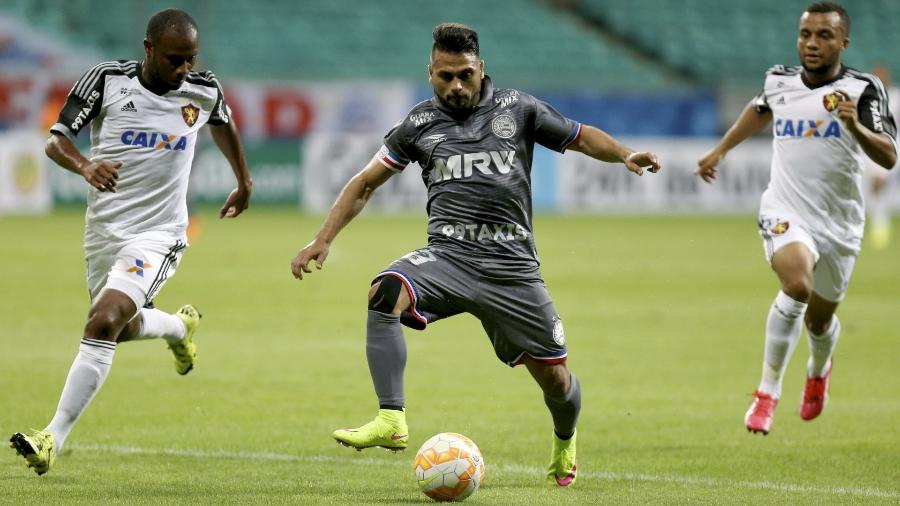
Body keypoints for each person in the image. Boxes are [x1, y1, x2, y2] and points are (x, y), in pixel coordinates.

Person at [291, 23, 660, 486]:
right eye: (445, 76)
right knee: (385, 292)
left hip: (513, 270)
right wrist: (322, 238)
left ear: (481, 68)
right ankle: (391, 419)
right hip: (448, 259)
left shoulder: (519, 109)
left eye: (465, 74)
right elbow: (365, 182)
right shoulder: (419, 123)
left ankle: (565, 442)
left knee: (558, 383)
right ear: (430, 72)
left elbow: (581, 136)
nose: (456, 86)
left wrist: (624, 155)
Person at [9, 8, 252, 475]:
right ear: (149, 49)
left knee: (102, 320)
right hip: (103, 231)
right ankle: (180, 329)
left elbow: (224, 123)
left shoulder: (202, 90)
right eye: (175, 59)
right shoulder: (106, 80)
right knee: (116, 327)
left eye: (190, 59)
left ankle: (50, 438)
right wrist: (84, 166)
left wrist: (244, 181)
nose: (184, 70)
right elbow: (56, 139)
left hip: (160, 233)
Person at [696, 2, 896, 435]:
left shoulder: (864, 90)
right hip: (786, 208)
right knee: (797, 285)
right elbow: (760, 109)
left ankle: (818, 371)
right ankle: (767, 392)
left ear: (843, 42)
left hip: (841, 222)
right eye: (806, 34)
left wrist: (855, 127)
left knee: (819, 321)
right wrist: (720, 150)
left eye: (824, 35)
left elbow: (889, 154)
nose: (812, 43)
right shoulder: (779, 79)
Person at [865, 64, 899, 250]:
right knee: (873, 189)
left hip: (890, 146)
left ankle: (880, 228)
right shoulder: (867, 97)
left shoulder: (896, 97)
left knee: (878, 185)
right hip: (870, 146)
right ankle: (878, 226)